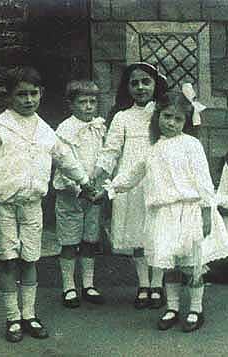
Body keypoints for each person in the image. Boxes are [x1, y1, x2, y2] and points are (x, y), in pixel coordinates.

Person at [0, 67, 96, 342]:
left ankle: (29, 314)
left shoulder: (45, 130)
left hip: (32, 205)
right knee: (7, 259)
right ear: (9, 97)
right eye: (21, 94)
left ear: (42, 94)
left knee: (29, 259)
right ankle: (12, 317)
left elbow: (65, 158)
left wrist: (85, 182)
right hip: (3, 205)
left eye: (33, 94)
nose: (28, 100)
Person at [96, 86, 228, 332]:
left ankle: (195, 309)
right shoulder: (152, 149)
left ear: (186, 121)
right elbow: (130, 176)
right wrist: (109, 189)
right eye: (167, 116)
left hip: (188, 211)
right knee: (168, 264)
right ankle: (172, 307)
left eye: (178, 119)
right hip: (163, 215)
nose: (171, 123)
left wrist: (206, 211)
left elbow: (203, 180)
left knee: (191, 265)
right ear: (157, 116)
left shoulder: (191, 145)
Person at [93, 62, 168, 309]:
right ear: (127, 87)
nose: (140, 87)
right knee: (138, 234)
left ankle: (158, 284)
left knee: (157, 234)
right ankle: (143, 284)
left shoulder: (163, 112)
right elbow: (110, 151)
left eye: (146, 81)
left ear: (156, 84)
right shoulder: (122, 117)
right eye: (134, 83)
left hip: (158, 180)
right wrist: (97, 176)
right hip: (130, 185)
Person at [53, 80, 106, 308]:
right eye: (82, 102)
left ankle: (88, 284)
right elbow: (64, 164)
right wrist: (78, 188)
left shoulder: (99, 127)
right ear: (71, 104)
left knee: (89, 239)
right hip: (70, 194)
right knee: (69, 241)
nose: (88, 107)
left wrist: (99, 186)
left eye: (92, 102)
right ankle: (68, 287)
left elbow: (105, 156)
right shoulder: (64, 130)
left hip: (93, 193)